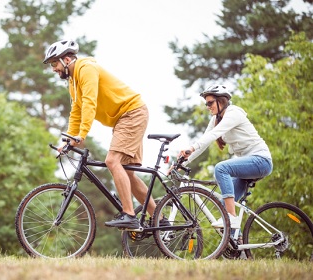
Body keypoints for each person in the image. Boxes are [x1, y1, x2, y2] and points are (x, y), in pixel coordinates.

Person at [43, 39, 156, 230]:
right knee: (127, 173)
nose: (53, 69)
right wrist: (70, 138)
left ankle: (129, 214)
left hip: (132, 113)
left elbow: (89, 102)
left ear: (67, 59)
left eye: (54, 63)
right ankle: (160, 219)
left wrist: (82, 134)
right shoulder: (72, 82)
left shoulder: (86, 68)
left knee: (112, 161)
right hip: (124, 118)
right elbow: (76, 110)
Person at [178, 84, 273, 229]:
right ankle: (237, 243)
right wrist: (182, 162)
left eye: (210, 103)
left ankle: (231, 218)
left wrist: (191, 148)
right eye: (206, 104)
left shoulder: (234, 113)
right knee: (225, 202)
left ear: (221, 101)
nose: (208, 106)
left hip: (261, 161)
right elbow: (204, 142)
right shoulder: (216, 119)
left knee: (221, 168)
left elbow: (213, 135)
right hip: (248, 166)